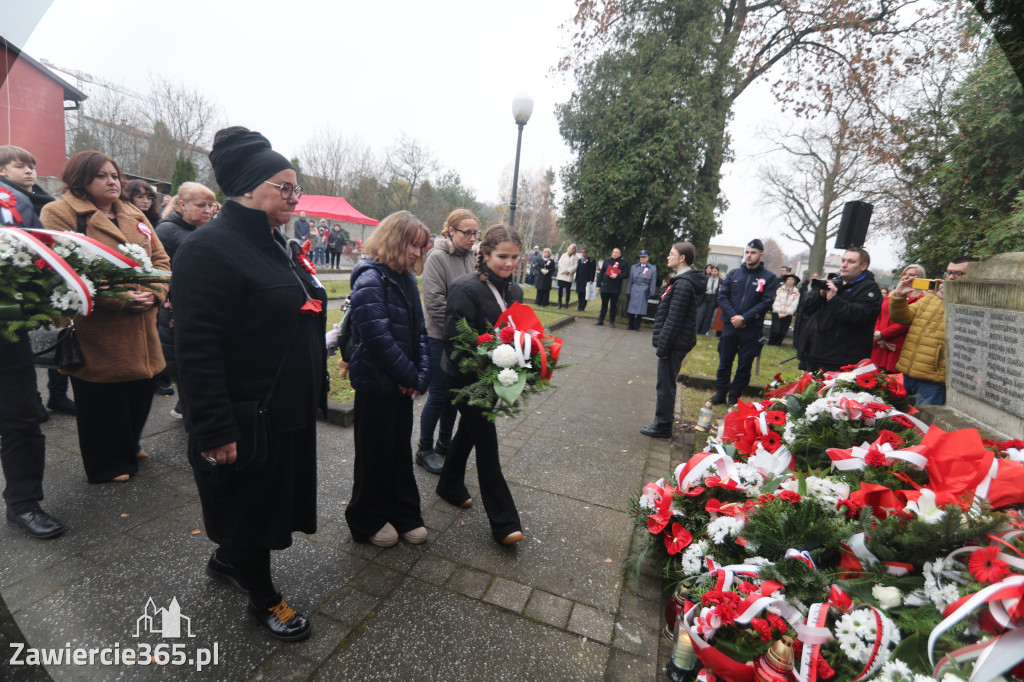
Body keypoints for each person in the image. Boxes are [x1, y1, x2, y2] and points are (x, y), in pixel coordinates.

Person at [173, 126, 325, 641]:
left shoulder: (273, 244)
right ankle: (263, 596)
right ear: (250, 187)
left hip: (281, 407)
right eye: (285, 187)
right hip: (244, 413)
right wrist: (214, 429)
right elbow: (196, 349)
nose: (294, 196)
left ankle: (229, 556)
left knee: (259, 501)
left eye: (295, 188)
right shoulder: (209, 249)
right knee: (251, 502)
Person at [40, 151, 170, 482]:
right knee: (102, 399)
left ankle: (128, 444)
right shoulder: (60, 213)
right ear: (79, 179)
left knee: (140, 389)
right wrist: (120, 298)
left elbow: (161, 260)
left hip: (143, 323)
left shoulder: (132, 212)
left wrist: (153, 293)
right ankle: (105, 464)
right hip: (97, 325)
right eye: (102, 176)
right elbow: (65, 270)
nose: (113, 181)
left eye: (115, 175)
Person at [345, 211, 431, 548]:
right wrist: (411, 376)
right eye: (413, 245)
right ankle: (367, 518)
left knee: (397, 451)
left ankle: (403, 512)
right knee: (374, 455)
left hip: (400, 385)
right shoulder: (370, 277)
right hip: (375, 385)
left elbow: (420, 331)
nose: (417, 253)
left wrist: (420, 376)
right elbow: (379, 339)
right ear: (395, 240)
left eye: (421, 247)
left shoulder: (406, 278)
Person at [437, 223, 525, 545]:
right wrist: (483, 362)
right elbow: (455, 342)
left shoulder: (515, 292)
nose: (509, 263)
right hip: (463, 380)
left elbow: (517, 334)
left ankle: (449, 485)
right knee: (487, 444)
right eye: (502, 256)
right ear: (485, 253)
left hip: (496, 380)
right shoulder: (465, 288)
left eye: (515, 257)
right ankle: (504, 522)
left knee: (468, 434)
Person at [0, 180, 66, 539]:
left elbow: (34, 249)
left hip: (6, 326)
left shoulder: (12, 198)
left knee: (22, 418)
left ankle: (23, 502)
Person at [0, 145, 75, 417]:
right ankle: (31, 399)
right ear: (2, 171)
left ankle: (58, 395)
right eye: (20, 166)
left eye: (31, 165)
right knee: (22, 344)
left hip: (49, 282)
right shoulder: (5, 203)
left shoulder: (46, 201)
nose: (29, 170)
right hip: (17, 290)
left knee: (57, 336)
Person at [415, 209, 479, 474]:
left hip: (464, 340)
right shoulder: (437, 257)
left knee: (455, 395)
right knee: (440, 394)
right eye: (467, 232)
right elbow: (434, 302)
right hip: (440, 337)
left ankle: (444, 442)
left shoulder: (471, 257)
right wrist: (462, 332)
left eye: (475, 233)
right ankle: (424, 449)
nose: (472, 238)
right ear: (451, 230)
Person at [154, 181, 217, 415]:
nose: (208, 210)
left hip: (200, 305)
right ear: (182, 204)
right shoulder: (166, 231)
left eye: (211, 205)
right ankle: (188, 410)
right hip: (177, 310)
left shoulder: (202, 228)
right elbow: (161, 272)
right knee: (184, 362)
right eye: (201, 205)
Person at [888, 257, 975, 405]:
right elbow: (903, 318)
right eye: (949, 272)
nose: (951, 277)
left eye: (958, 273)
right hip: (907, 372)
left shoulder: (973, 302)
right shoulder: (931, 297)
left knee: (922, 425)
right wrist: (899, 296)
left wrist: (948, 300)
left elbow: (966, 330)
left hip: (933, 381)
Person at [641, 242, 705, 438]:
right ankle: (661, 423)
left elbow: (674, 319)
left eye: (672, 254)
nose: (668, 257)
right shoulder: (680, 281)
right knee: (665, 383)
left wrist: (663, 346)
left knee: (666, 384)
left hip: (673, 344)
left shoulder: (684, 284)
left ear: (682, 258)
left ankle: (663, 426)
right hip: (673, 342)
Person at [710, 239, 777, 405]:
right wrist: (735, 317)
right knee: (725, 360)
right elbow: (722, 297)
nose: (748, 256)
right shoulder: (734, 274)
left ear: (760, 255)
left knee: (744, 364)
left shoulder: (769, 277)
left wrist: (745, 318)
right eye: (747, 252)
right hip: (730, 325)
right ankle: (720, 393)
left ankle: (734, 396)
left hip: (751, 327)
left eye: (753, 253)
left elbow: (766, 302)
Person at [797, 248, 882, 372]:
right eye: (843, 260)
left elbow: (858, 315)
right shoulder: (834, 281)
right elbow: (805, 308)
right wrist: (820, 294)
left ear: (863, 266)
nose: (844, 265)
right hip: (814, 354)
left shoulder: (869, 289)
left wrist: (833, 299)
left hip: (841, 361)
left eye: (851, 261)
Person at [871, 265, 926, 372]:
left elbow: (907, 323)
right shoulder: (892, 294)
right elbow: (880, 315)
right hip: (880, 344)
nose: (906, 277)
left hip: (899, 345)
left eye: (911, 275)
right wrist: (877, 333)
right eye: (905, 274)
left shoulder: (922, 298)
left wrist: (883, 334)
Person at [594, 248, 629, 327]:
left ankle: (612, 322)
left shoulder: (623, 263)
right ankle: (601, 320)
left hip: (615, 288)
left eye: (617, 253)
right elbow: (601, 274)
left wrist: (617, 276)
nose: (615, 254)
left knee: (613, 305)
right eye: (613, 252)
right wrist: (598, 285)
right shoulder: (607, 262)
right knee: (604, 305)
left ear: (620, 254)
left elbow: (626, 274)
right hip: (605, 287)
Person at [626, 250, 658, 330]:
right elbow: (630, 280)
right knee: (632, 308)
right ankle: (630, 325)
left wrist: (652, 291)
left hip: (644, 289)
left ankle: (637, 326)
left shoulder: (652, 268)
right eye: (641, 257)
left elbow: (653, 281)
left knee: (641, 308)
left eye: (644, 257)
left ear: (648, 258)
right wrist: (628, 290)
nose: (642, 259)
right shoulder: (634, 267)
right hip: (634, 288)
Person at [767, 274, 800, 345]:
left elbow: (794, 304)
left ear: (794, 281)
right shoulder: (779, 289)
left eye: (792, 280)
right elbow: (776, 300)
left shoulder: (796, 292)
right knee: (776, 329)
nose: (790, 281)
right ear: (786, 281)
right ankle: (772, 342)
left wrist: (787, 313)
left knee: (783, 330)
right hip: (777, 312)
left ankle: (778, 343)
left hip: (788, 314)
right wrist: (779, 312)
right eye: (789, 279)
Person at [696, 265, 722, 336]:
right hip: (705, 297)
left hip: (713, 298)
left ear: (718, 272)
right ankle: (696, 330)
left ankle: (704, 332)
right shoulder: (706, 278)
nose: (713, 272)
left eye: (715, 271)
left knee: (708, 316)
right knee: (700, 313)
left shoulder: (720, 281)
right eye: (712, 271)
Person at [554, 244, 578, 309]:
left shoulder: (575, 257)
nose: (574, 250)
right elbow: (560, 263)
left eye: (574, 249)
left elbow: (575, 266)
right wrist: (564, 271)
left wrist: (569, 271)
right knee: (560, 289)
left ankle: (566, 304)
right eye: (573, 248)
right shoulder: (564, 255)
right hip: (562, 275)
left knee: (568, 290)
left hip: (568, 276)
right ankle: (559, 303)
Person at [574, 246, 597, 311]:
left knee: (585, 293)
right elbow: (577, 270)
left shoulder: (591, 260)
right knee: (579, 293)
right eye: (582, 252)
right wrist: (576, 279)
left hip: (587, 279)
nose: (583, 254)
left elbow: (593, 270)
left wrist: (591, 279)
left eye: (584, 252)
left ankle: (582, 307)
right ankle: (579, 306)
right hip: (580, 279)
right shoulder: (580, 260)